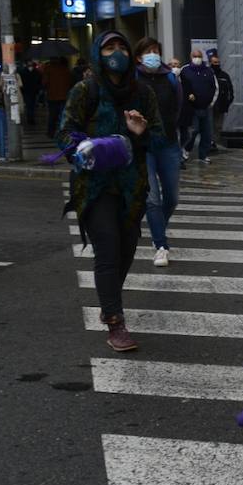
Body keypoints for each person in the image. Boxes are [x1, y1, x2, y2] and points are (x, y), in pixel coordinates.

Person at [57, 30, 165, 352]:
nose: (115, 53)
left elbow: (160, 138)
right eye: (108, 48)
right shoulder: (85, 90)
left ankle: (108, 302)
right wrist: (87, 148)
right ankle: (116, 323)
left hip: (132, 187)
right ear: (97, 54)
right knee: (107, 249)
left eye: (121, 47)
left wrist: (141, 133)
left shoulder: (143, 93)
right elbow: (64, 132)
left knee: (125, 252)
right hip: (95, 186)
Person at [134, 37, 183, 268]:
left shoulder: (171, 78)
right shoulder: (133, 79)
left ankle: (157, 227)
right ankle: (160, 245)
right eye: (148, 51)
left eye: (156, 50)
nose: (153, 55)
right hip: (144, 145)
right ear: (138, 57)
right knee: (152, 198)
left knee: (172, 197)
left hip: (169, 143)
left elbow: (178, 107)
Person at [179, 48, 216, 164]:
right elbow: (180, 87)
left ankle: (203, 154)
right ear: (191, 57)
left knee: (207, 133)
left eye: (199, 56)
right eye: (195, 56)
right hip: (191, 108)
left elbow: (215, 87)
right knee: (192, 131)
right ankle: (186, 150)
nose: (197, 58)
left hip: (206, 107)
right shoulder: (184, 70)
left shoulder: (209, 71)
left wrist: (211, 102)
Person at [42, 56, 73, 139]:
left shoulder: (48, 69)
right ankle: (63, 133)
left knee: (52, 116)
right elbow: (70, 81)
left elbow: (44, 82)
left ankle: (51, 133)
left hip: (52, 96)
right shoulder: (65, 69)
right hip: (65, 95)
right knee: (64, 115)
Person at [209, 50, 234, 144]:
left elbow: (230, 90)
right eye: (215, 62)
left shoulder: (224, 75)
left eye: (218, 62)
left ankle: (214, 142)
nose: (217, 64)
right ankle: (209, 142)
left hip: (221, 105)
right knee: (209, 125)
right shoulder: (208, 74)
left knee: (218, 126)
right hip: (209, 105)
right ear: (210, 63)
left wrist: (228, 102)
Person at [19, 60, 42, 127]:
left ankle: (30, 118)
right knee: (31, 105)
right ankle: (31, 118)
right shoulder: (37, 72)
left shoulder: (22, 72)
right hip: (32, 91)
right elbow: (39, 82)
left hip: (28, 91)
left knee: (30, 105)